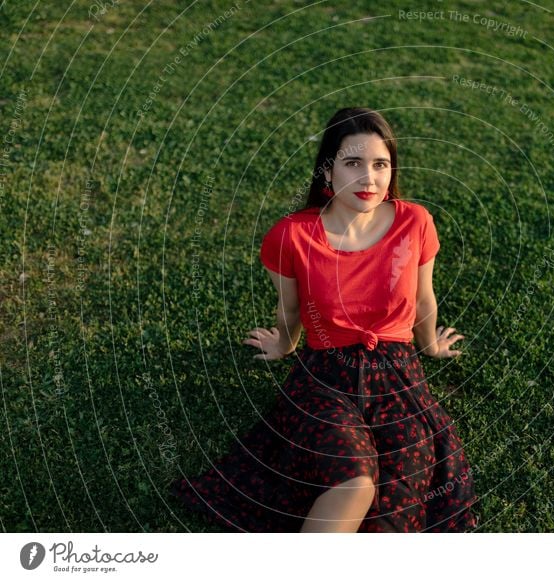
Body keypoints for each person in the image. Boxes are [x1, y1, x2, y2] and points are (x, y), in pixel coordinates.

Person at [170, 107, 478, 532]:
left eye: (380, 164)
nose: (368, 178)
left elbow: (424, 298)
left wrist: (430, 345)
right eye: (353, 163)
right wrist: (283, 343)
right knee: (355, 482)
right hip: (325, 379)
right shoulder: (292, 235)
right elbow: (291, 309)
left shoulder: (415, 222)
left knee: (399, 498)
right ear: (327, 171)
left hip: (398, 378)